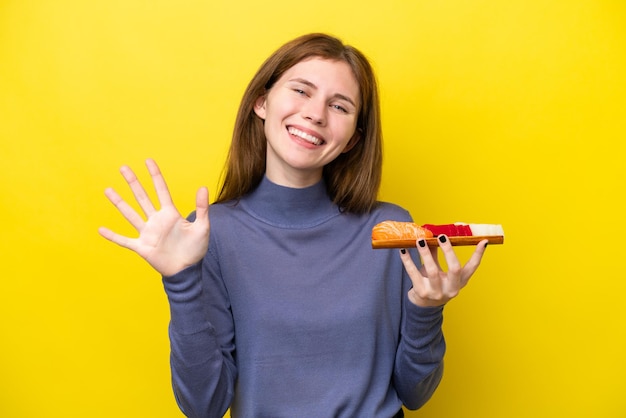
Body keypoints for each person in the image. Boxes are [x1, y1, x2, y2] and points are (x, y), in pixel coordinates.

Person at [99, 33, 489, 418]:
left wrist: (427, 310)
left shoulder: (390, 231)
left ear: (353, 139)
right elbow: (204, 407)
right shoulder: (208, 234)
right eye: (301, 91)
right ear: (262, 102)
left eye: (339, 106)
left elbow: (416, 393)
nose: (316, 114)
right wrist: (181, 281)